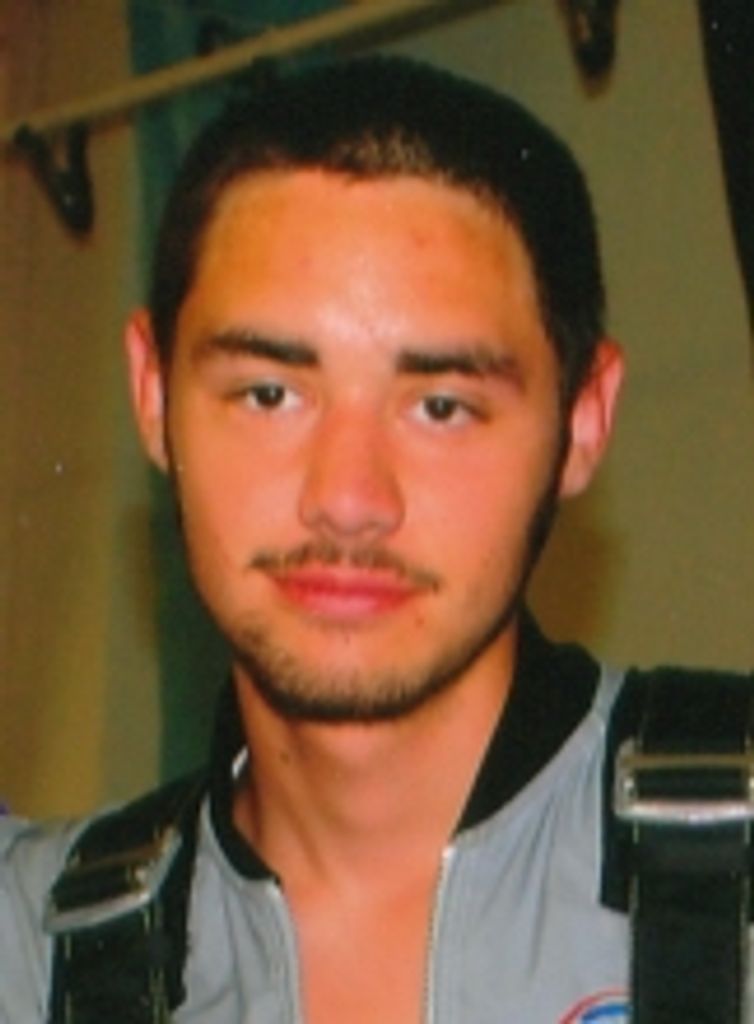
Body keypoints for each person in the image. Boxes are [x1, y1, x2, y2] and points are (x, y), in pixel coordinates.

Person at [2, 55, 745, 1024]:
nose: (348, 500)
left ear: (583, 420)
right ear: (153, 395)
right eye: (270, 394)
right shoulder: (27, 953)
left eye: (440, 406)